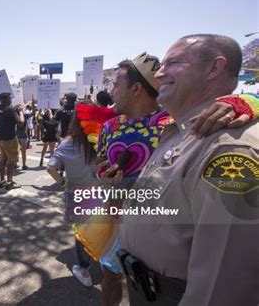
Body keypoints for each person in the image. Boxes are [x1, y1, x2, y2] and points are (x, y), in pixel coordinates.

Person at [117, 34, 258, 306]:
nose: (159, 73)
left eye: (174, 63)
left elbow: (224, 285)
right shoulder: (179, 130)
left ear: (214, 68)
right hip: (145, 289)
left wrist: (252, 100)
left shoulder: (230, 149)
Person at [47, 101, 116, 287]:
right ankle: (106, 266)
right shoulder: (102, 140)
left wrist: (62, 182)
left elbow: (51, 167)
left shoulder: (67, 144)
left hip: (76, 195)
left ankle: (84, 269)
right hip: (100, 192)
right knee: (102, 229)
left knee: (81, 233)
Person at [0, 92, 24, 190]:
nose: (11, 99)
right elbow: (21, 123)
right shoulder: (10, 109)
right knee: (11, 160)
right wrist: (21, 112)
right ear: (6, 99)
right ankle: (10, 182)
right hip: (10, 138)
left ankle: (2, 181)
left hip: (0, 138)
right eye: (10, 98)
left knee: (3, 159)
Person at [15, 105, 31, 170]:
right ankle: (24, 165)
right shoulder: (24, 116)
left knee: (16, 150)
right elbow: (33, 113)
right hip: (23, 135)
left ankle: (15, 164)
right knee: (23, 152)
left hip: (16, 135)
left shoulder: (15, 116)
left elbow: (33, 113)